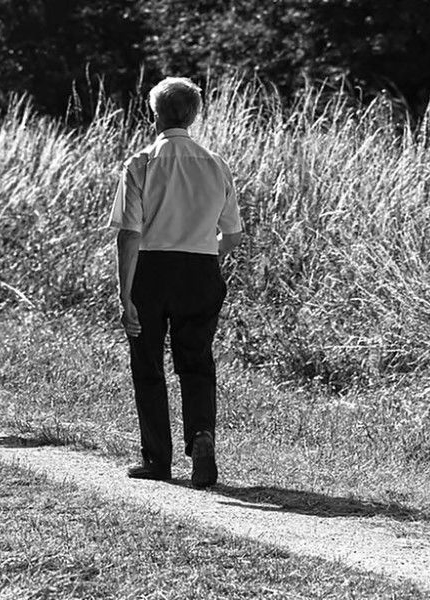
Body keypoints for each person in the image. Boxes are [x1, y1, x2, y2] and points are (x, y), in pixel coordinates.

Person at [109, 77, 242, 488]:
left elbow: (129, 233)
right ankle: (201, 435)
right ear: (195, 114)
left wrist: (124, 293)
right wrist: (204, 252)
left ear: (155, 114)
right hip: (200, 270)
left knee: (147, 362)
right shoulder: (215, 163)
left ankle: (157, 458)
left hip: (151, 268)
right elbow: (233, 235)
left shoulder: (142, 162)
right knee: (197, 360)